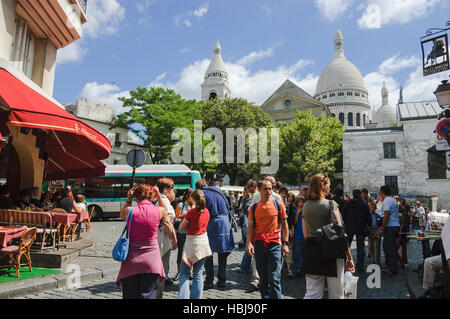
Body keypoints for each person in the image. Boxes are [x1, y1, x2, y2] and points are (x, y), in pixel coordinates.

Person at [115, 184, 177, 299]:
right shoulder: (158, 211)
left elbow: (122, 214)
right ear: (152, 197)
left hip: (131, 260)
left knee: (130, 295)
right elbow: (166, 211)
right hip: (151, 261)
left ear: (135, 197)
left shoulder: (129, 211)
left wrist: (128, 199)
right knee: (148, 294)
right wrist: (159, 196)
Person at [302, 173, 355, 299]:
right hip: (333, 252)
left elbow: (305, 234)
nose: (329, 189)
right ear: (322, 185)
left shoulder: (306, 206)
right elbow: (340, 234)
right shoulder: (331, 204)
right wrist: (349, 256)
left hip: (312, 250)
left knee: (312, 293)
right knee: (337, 294)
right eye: (329, 186)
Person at [246, 180, 289, 299]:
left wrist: (285, 243)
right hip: (259, 244)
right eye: (266, 189)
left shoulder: (278, 204)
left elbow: (285, 224)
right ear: (259, 190)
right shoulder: (253, 207)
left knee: (274, 278)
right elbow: (250, 226)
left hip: (274, 244)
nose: (269, 192)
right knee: (263, 279)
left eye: (270, 189)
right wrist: (249, 243)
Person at [196, 179, 235, 290]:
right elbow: (228, 206)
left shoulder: (202, 193)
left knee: (208, 254)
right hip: (224, 223)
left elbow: (201, 211)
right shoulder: (218, 191)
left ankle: (209, 280)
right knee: (223, 254)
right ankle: (222, 280)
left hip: (212, 223)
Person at [177, 189, 212, 299]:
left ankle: (183, 297)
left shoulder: (191, 213)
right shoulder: (206, 211)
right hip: (203, 242)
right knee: (198, 273)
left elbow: (181, 228)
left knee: (184, 273)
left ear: (192, 198)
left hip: (192, 243)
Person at [154, 177, 177, 298]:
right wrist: (174, 238)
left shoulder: (155, 200)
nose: (173, 189)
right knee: (161, 272)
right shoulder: (164, 201)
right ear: (166, 189)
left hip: (156, 238)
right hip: (162, 239)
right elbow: (166, 222)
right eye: (171, 187)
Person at [420, 214, 450, 298]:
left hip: (444, 256)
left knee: (428, 261)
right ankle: (428, 290)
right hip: (445, 258)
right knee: (428, 262)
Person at [342, 189, 370, 272]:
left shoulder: (347, 203)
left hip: (349, 227)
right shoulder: (364, 204)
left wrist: (346, 224)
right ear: (360, 194)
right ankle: (360, 265)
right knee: (360, 247)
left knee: (347, 246)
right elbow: (367, 216)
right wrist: (368, 225)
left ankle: (345, 263)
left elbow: (343, 215)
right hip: (360, 227)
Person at [375, 185, 400, 275]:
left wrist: (382, 227)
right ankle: (389, 265)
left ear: (382, 193)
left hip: (390, 227)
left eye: (380, 193)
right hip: (394, 226)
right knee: (387, 247)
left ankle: (392, 268)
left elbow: (386, 216)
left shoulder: (387, 201)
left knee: (390, 248)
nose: (379, 195)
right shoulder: (392, 200)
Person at [174, 188, 193, 281]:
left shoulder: (193, 206)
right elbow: (176, 217)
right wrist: (185, 216)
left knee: (190, 253)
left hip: (191, 233)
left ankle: (190, 272)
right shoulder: (181, 205)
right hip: (182, 232)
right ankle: (179, 272)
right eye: (192, 197)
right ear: (188, 196)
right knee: (181, 253)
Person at [293, 196, 306, 276]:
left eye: (302, 202)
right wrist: (297, 213)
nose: (301, 203)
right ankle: (298, 268)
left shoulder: (306, 211)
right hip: (298, 234)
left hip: (305, 234)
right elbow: (294, 222)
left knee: (304, 252)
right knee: (298, 252)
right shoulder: (294, 211)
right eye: (299, 202)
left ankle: (304, 268)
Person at [396, 204, 410, 268]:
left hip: (403, 239)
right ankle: (401, 261)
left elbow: (407, 232)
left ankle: (402, 263)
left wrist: (401, 233)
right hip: (399, 239)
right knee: (394, 250)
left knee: (404, 252)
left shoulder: (404, 225)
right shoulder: (396, 224)